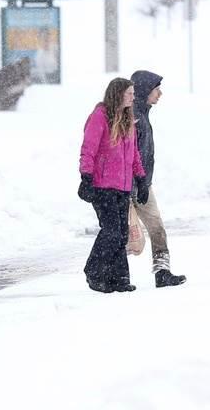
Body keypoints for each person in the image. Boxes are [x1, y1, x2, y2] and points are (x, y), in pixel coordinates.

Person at [78, 78, 146, 293]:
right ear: (118, 94)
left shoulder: (127, 118)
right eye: (129, 93)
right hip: (102, 185)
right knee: (112, 232)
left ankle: (118, 278)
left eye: (133, 94)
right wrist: (86, 177)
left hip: (123, 186)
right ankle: (95, 271)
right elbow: (88, 148)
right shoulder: (100, 116)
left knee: (122, 234)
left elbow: (134, 154)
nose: (133, 97)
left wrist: (141, 179)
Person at [130, 70, 187, 288]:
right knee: (126, 235)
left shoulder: (143, 113)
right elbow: (128, 155)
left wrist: (144, 183)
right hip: (129, 185)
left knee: (156, 228)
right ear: (145, 90)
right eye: (156, 90)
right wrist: (136, 183)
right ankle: (114, 274)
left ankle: (162, 271)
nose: (160, 94)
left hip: (144, 184)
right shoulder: (133, 117)